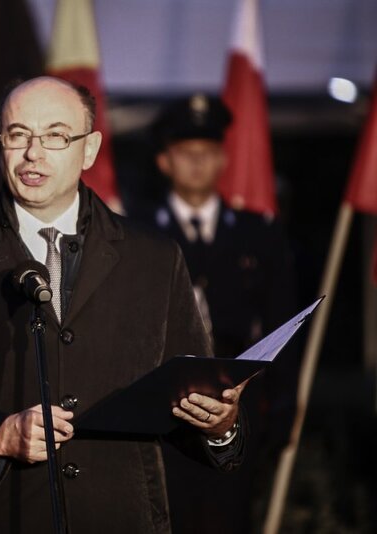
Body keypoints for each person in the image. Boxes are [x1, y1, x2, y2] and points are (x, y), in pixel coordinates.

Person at [0, 77, 249, 533]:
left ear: (89, 149)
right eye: (18, 135)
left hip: (120, 517)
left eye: (54, 135)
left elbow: (188, 394)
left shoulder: (153, 257)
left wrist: (219, 425)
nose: (34, 153)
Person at [133, 94, 298, 533]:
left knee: (230, 516)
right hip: (164, 406)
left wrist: (282, 409)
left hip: (236, 402)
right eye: (186, 154)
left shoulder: (257, 233)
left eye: (206, 153)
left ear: (223, 159)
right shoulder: (137, 232)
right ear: (164, 161)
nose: (197, 164)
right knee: (168, 517)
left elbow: (282, 323)